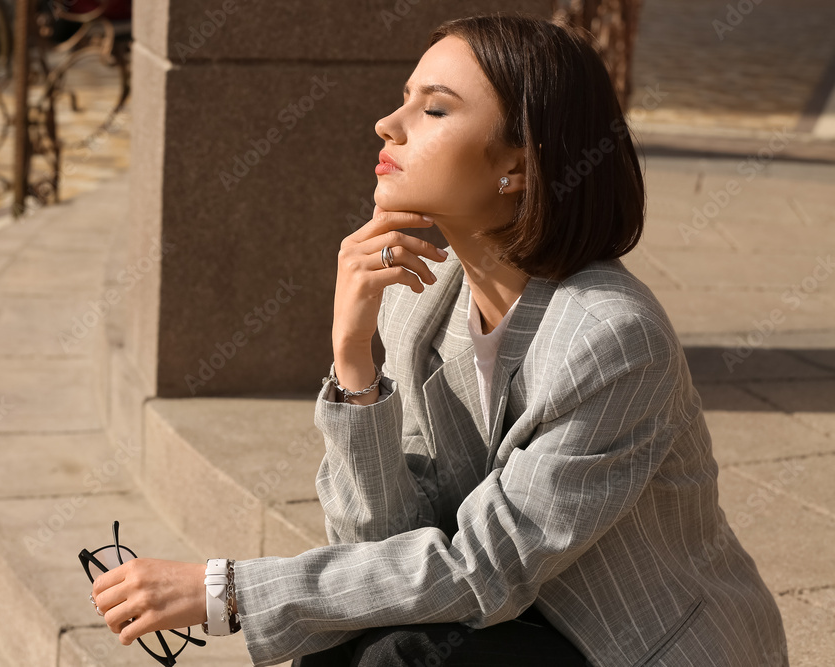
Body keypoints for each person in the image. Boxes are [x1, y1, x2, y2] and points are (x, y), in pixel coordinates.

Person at [89, 13, 790, 667]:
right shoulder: (426, 296)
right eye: (403, 98)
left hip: (635, 645)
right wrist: (354, 360)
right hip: (526, 623)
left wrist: (229, 590)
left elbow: (483, 569)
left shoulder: (609, 337)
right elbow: (381, 547)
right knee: (342, 639)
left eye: (434, 108)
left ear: (518, 164)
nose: (388, 124)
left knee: (397, 655)